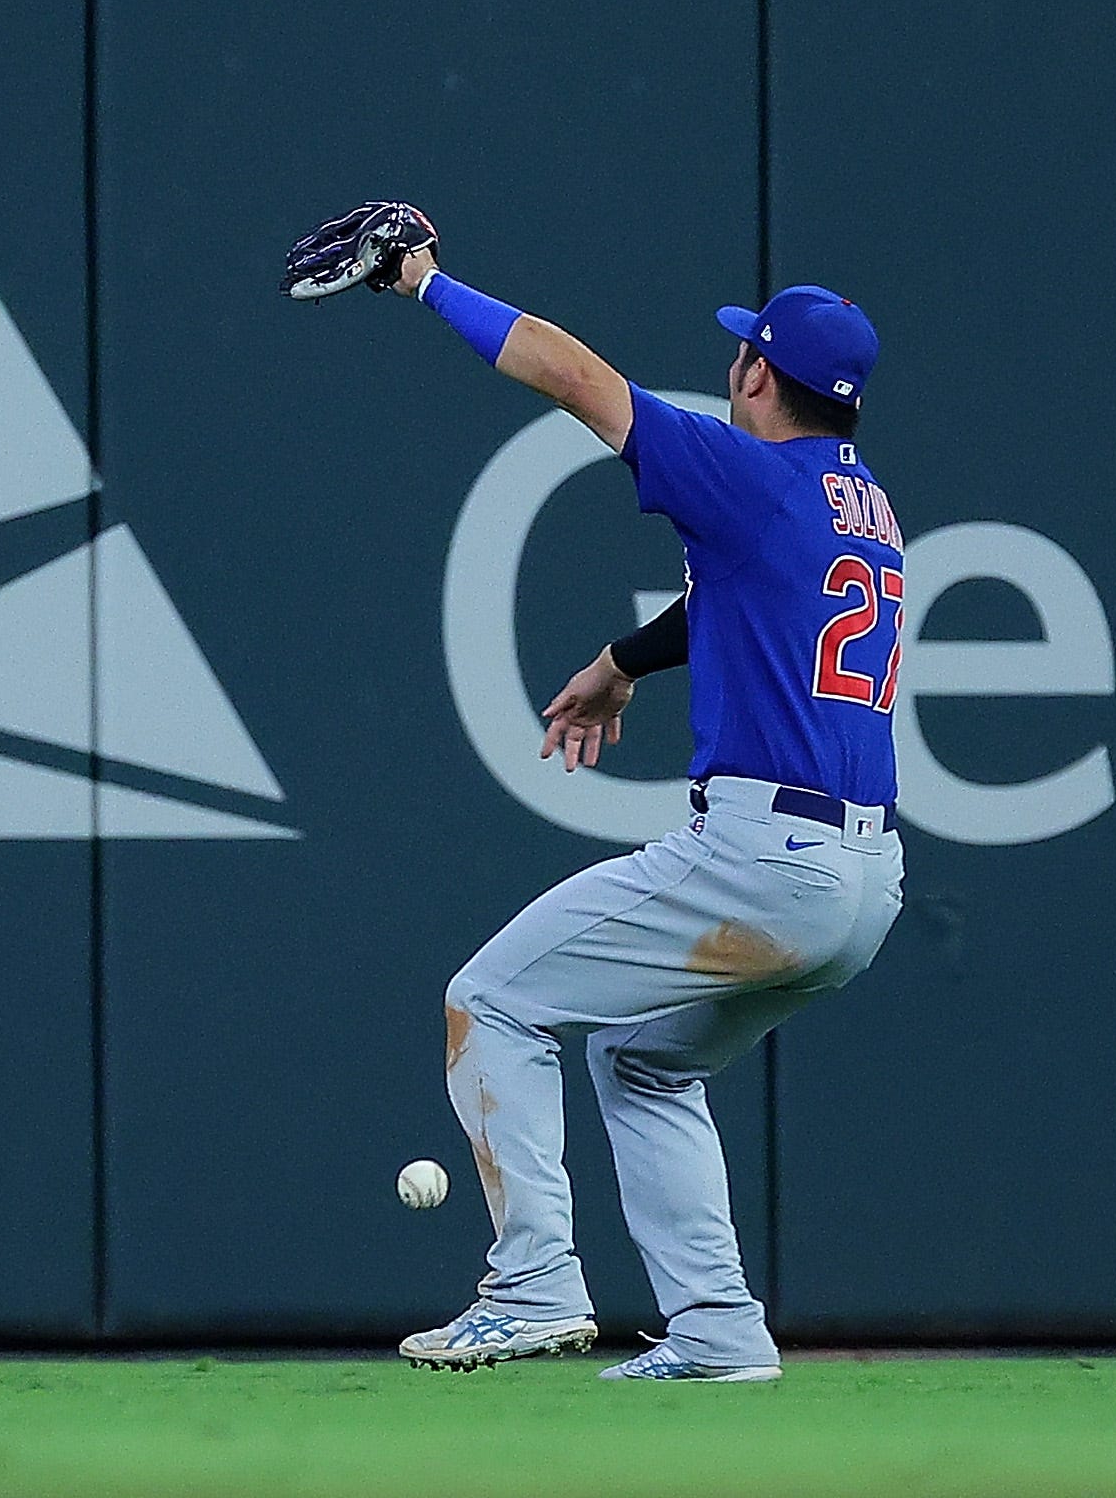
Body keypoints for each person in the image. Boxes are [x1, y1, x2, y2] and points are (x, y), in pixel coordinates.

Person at [385, 235, 905, 1382]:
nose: (734, 370)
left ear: (759, 376)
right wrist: (624, 658)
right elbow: (735, 599)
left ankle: (530, 1283)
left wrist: (424, 282)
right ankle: (718, 1330)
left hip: (765, 859)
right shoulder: (862, 505)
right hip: (866, 883)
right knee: (643, 1062)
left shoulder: (745, 471)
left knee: (490, 1002)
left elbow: (572, 375)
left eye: (743, 355)